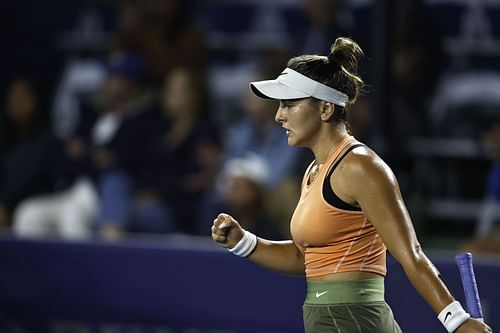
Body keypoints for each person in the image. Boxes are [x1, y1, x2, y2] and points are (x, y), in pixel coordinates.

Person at [211, 37, 492, 333]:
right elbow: (305, 258)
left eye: (290, 104)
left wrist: (457, 321)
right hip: (331, 319)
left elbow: (410, 253)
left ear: (325, 110)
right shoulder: (314, 171)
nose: (279, 115)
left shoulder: (360, 166)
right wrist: (243, 242)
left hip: (352, 320)